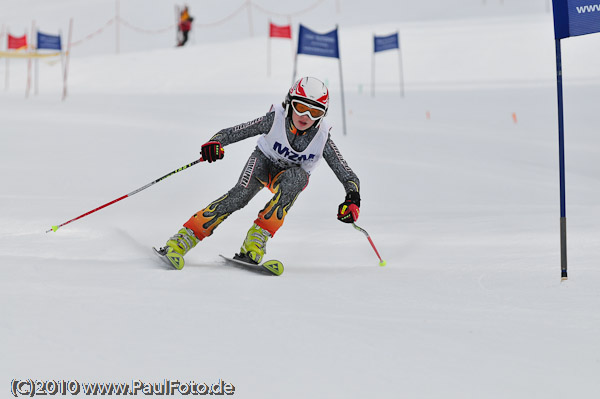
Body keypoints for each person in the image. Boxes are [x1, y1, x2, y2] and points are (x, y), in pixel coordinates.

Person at [156, 77, 361, 270]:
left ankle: (255, 242)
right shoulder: (275, 119)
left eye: (314, 112)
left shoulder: (322, 138)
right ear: (289, 103)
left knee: (297, 178)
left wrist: (352, 198)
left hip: (288, 177)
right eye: (300, 107)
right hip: (263, 163)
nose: (305, 117)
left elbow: (348, 175)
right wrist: (215, 143)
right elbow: (233, 132)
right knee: (239, 196)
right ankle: (183, 238)